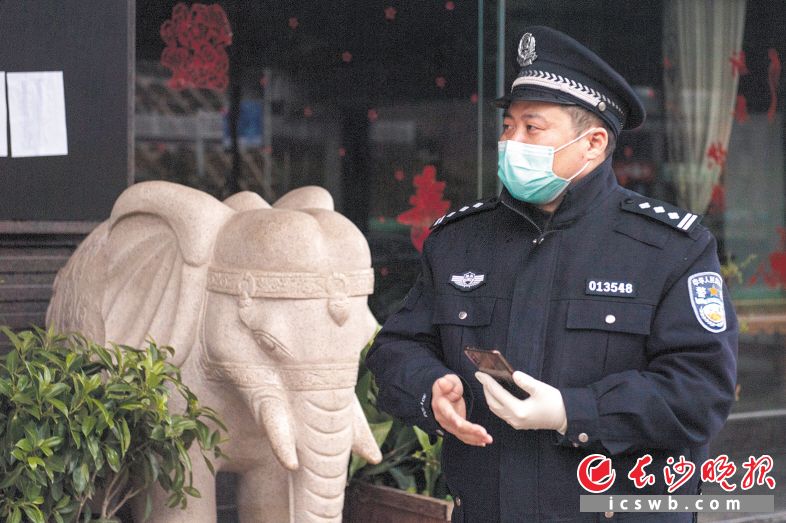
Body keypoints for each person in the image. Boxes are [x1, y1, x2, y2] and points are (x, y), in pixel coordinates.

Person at [366, 25, 738, 522]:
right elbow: (396, 347)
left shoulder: (669, 248)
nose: (511, 141)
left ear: (593, 143)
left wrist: (573, 412)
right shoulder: (460, 240)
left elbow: (700, 392)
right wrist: (430, 387)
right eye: (508, 126)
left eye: (532, 128)